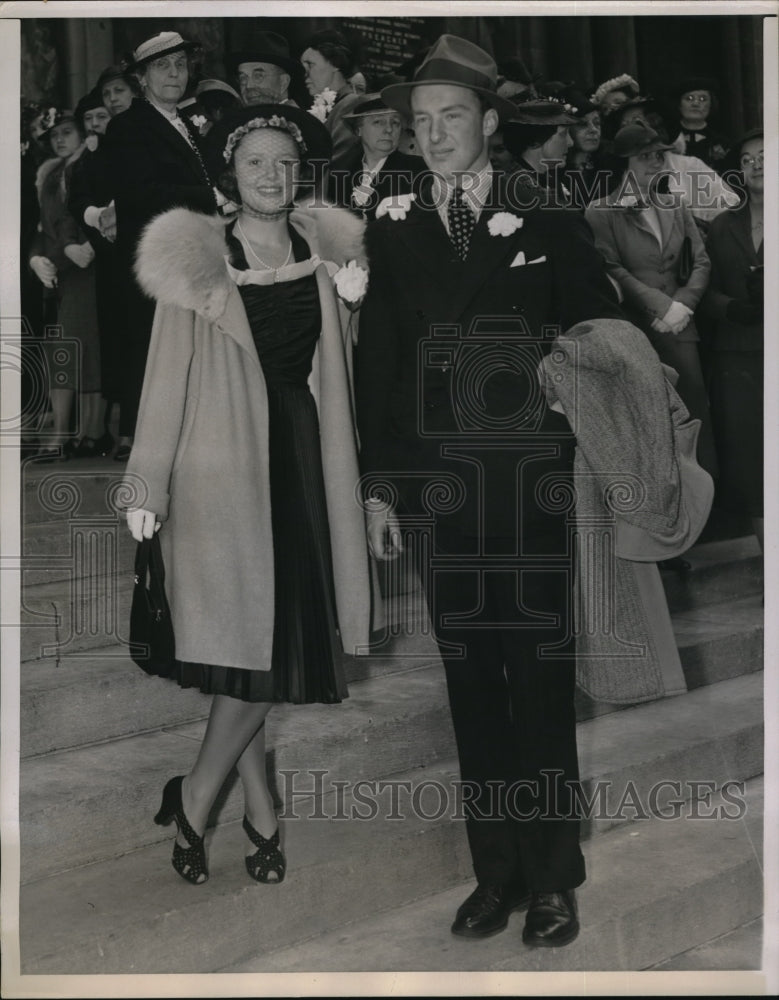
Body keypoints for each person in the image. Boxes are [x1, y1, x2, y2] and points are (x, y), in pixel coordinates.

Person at [356, 34, 623, 949]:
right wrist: (380, 489)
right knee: (469, 683)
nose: (433, 138)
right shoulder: (390, 223)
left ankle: (553, 880)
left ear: (489, 124)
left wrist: (556, 374)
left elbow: (601, 329)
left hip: (524, 485)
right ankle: (495, 872)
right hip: (436, 490)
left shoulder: (542, 212)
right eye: (420, 123)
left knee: (538, 682)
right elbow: (377, 363)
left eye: (451, 120)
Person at [123, 103, 371, 886]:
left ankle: (207, 793)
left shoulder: (323, 249)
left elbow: (342, 368)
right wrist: (147, 480)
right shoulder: (198, 254)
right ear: (229, 173)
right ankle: (219, 798)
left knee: (275, 638)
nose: (273, 175)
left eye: (286, 162)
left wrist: (357, 303)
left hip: (301, 455)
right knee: (251, 648)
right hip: (220, 461)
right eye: (257, 161)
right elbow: (165, 373)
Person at [102, 31, 217, 462]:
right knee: (154, 363)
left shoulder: (185, 122)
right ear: (142, 78)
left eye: (181, 65)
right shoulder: (128, 125)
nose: (174, 73)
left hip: (190, 258)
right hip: (155, 262)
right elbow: (142, 192)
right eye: (162, 66)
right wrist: (213, 198)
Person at [584, 121, 717, 479]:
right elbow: (609, 267)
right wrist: (660, 307)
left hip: (681, 326)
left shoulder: (674, 204)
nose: (655, 162)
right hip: (639, 327)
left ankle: (704, 497)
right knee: (649, 416)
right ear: (624, 164)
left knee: (692, 406)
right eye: (644, 157)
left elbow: (700, 260)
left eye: (659, 155)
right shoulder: (601, 211)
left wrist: (682, 305)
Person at [700, 129, 764, 549]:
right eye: (746, 159)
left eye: (765, 156)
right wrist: (730, 308)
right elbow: (705, 288)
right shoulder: (723, 225)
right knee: (752, 460)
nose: (755, 164)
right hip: (740, 357)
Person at [28, 108, 102, 460]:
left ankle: (67, 434)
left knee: (76, 349)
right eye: (53, 135)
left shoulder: (86, 163)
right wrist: (36, 256)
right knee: (70, 347)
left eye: (66, 131)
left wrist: (59, 254)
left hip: (82, 267)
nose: (59, 139)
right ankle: (84, 433)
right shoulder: (50, 173)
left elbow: (78, 218)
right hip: (62, 268)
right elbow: (46, 227)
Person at [329, 93, 424, 218]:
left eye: (395, 123)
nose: (389, 129)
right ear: (358, 129)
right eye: (378, 122)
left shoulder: (418, 170)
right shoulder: (340, 172)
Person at [501, 98, 579, 205]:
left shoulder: (548, 181)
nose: (570, 143)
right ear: (538, 139)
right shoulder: (516, 188)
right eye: (563, 134)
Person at [300, 28, 361, 161]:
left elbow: (337, 162)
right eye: (303, 68)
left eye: (310, 65)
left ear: (335, 63)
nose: (305, 75)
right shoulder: (330, 106)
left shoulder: (351, 105)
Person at [671, 76, 730, 170]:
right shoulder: (668, 139)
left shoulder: (722, 143)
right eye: (689, 98)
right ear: (679, 104)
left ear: (711, 104)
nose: (695, 103)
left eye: (702, 99)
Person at [226, 31, 298, 106]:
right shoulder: (242, 117)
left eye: (258, 76)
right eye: (242, 78)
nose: (248, 86)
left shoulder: (297, 117)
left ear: (283, 82)